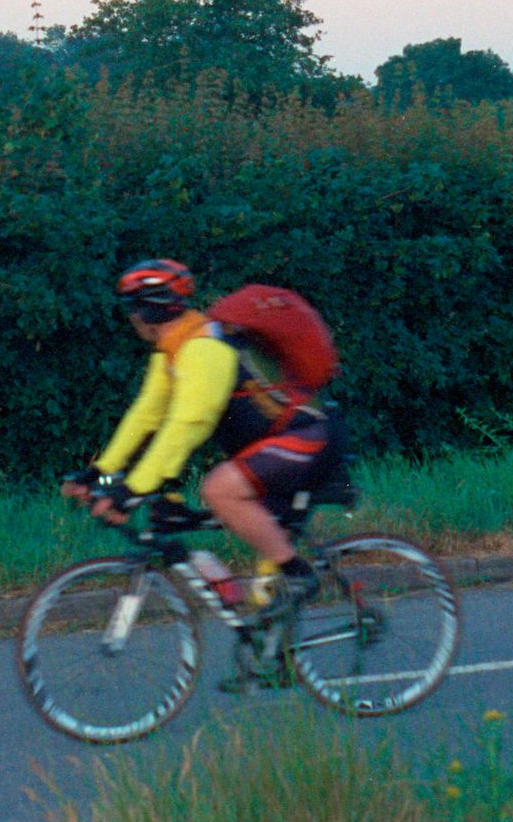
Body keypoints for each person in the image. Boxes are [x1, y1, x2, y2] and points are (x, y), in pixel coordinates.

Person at [62, 257, 344, 615]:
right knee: (263, 605)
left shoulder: (205, 349)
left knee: (219, 489)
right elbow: (146, 416)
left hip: (307, 437)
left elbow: (186, 424)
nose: (130, 318)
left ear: (146, 311)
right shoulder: (176, 348)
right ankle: (276, 661)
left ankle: (301, 574)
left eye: (131, 309)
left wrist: (133, 488)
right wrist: (99, 472)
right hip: (281, 445)